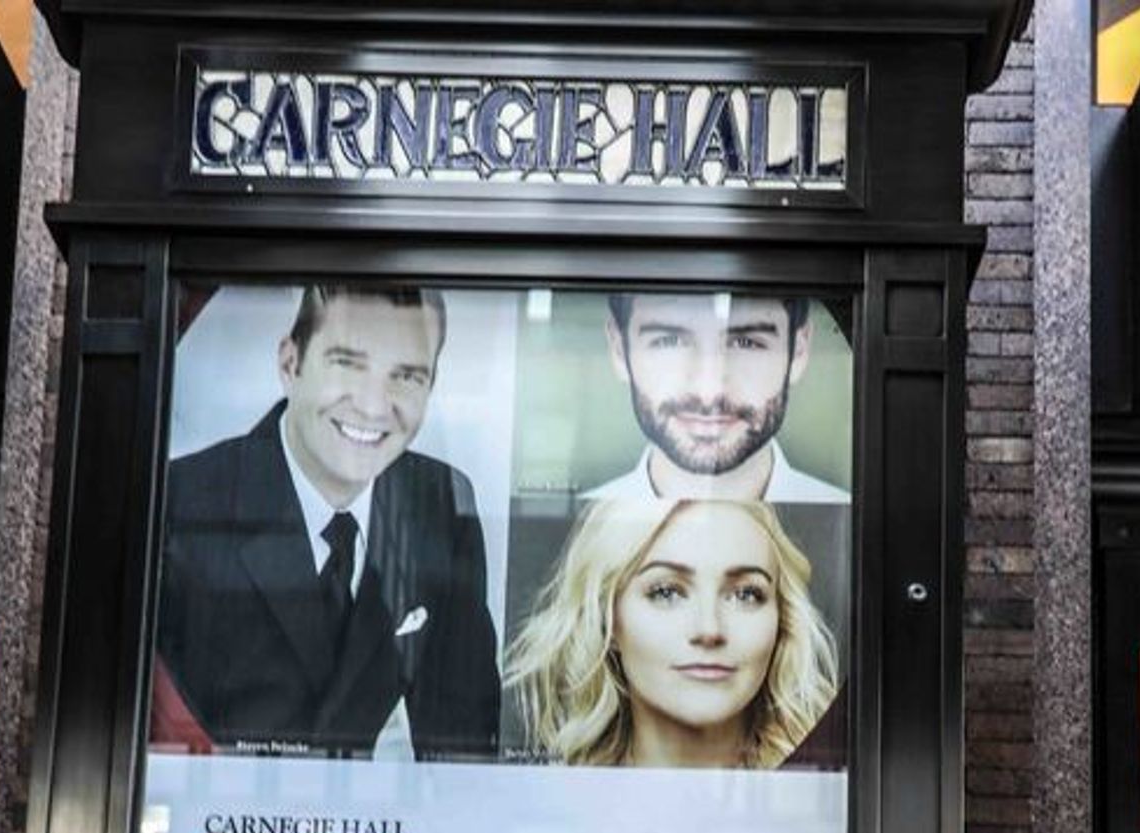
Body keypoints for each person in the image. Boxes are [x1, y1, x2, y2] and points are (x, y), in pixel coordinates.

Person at [153, 284, 499, 759]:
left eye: (406, 377)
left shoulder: (439, 501)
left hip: (369, 821)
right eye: (348, 364)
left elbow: (463, 736)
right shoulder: (182, 501)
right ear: (290, 365)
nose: (374, 406)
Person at [581, 291, 851, 666]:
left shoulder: (849, 518)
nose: (709, 392)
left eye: (746, 342)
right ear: (617, 347)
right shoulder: (589, 523)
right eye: (669, 340)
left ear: (800, 350)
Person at [505, 499, 838, 769]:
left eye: (745, 594)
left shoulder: (824, 792)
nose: (709, 630)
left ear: (782, 621)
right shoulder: (552, 803)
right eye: (666, 592)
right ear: (608, 620)